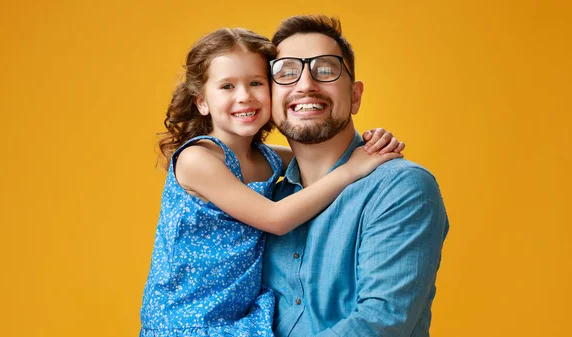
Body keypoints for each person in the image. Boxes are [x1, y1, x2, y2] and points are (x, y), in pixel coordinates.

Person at [139, 27, 405, 337]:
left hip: (238, 316)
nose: (244, 96)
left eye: (256, 83)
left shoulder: (266, 158)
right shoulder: (199, 160)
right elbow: (275, 219)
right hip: (186, 317)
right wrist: (351, 171)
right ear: (202, 102)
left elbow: (322, 156)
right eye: (227, 86)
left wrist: (370, 145)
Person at [262, 15, 450, 337]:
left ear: (356, 96)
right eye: (286, 73)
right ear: (267, 99)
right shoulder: (263, 197)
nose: (305, 85)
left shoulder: (400, 187)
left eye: (325, 70)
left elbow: (380, 323)